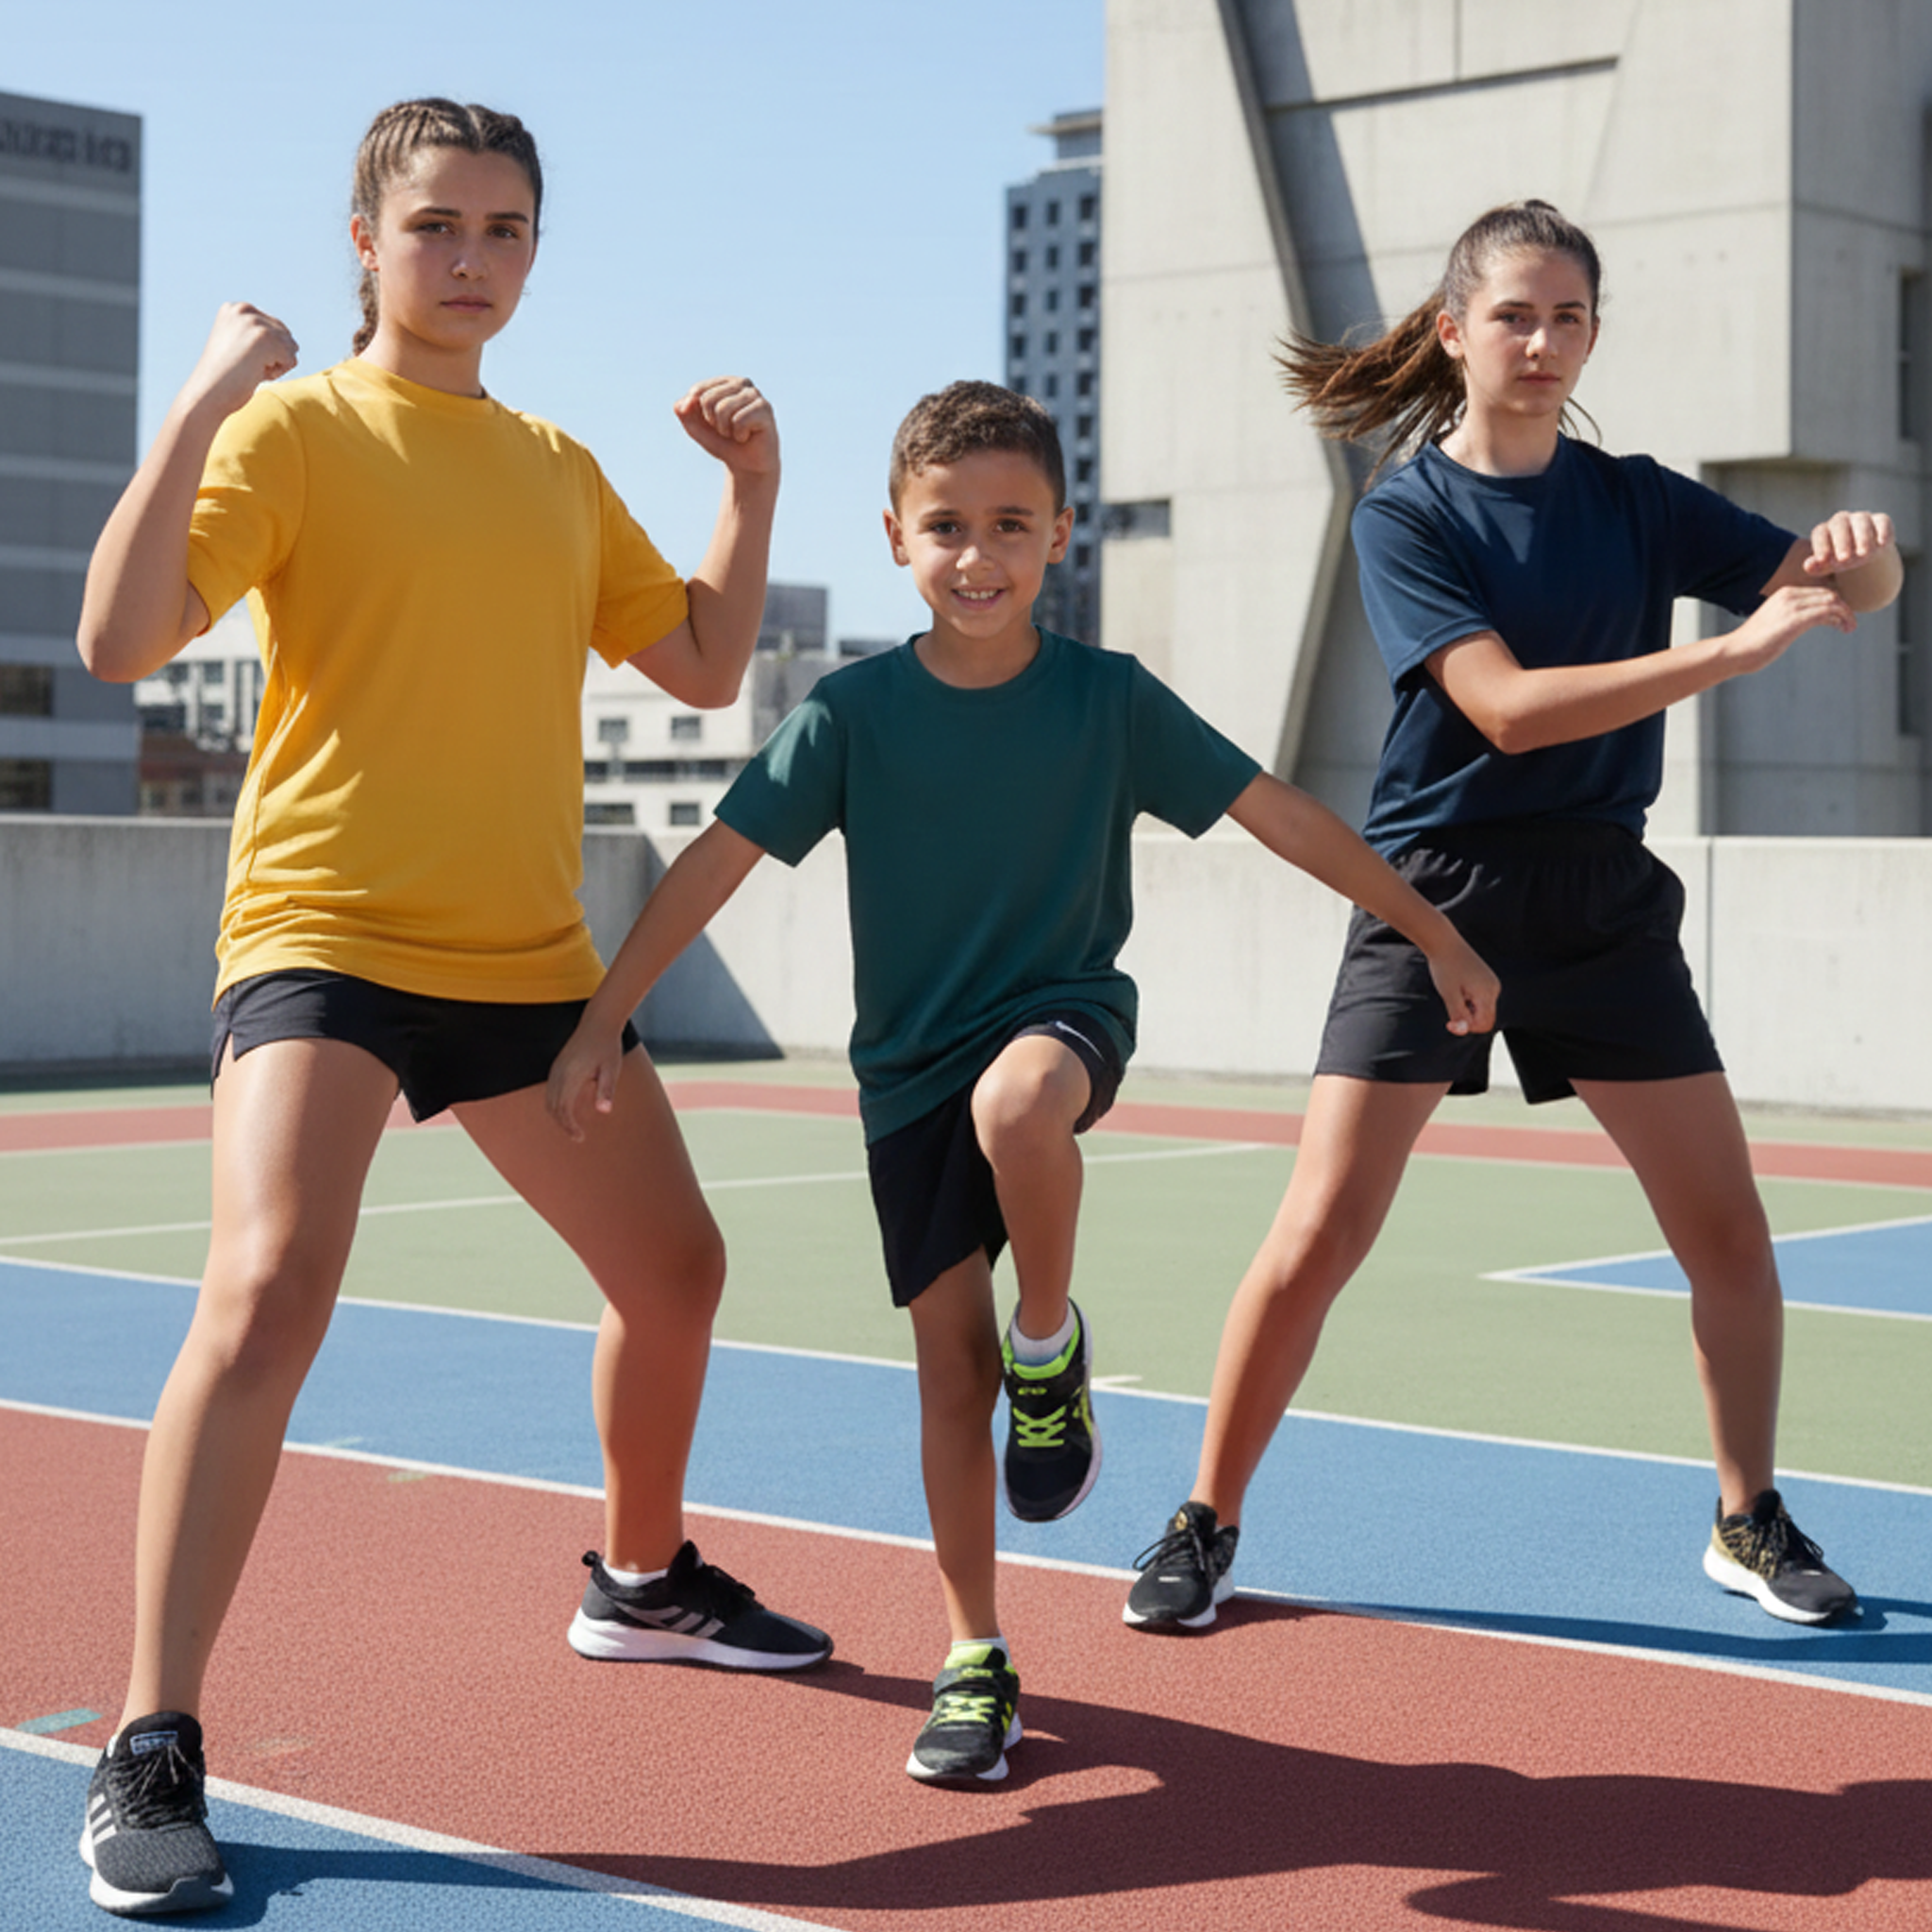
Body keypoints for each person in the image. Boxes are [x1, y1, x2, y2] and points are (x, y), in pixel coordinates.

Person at [73, 98, 830, 1918]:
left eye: (503, 230)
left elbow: (712, 667)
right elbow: (118, 641)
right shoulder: (296, 430)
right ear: (366, 239)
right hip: (324, 934)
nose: (470, 258)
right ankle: (153, 1735)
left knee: (678, 1273)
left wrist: (752, 490)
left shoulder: (559, 469)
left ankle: (638, 1581)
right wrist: (198, 397)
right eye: (435, 227)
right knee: (263, 1293)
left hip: (522, 965)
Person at [545, 379, 1499, 1785]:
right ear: (894, 538)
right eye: (947, 527)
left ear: (1061, 537)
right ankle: (974, 1655)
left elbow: (1279, 813)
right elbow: (717, 862)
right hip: (903, 1072)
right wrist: (600, 1022)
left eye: (1009, 525)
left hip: (1060, 1022)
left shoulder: (1107, 700)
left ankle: (1051, 1345)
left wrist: (1430, 926)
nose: (977, 555)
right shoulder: (853, 714)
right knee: (947, 1376)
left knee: (1018, 1113)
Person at [1121, 199, 1899, 1640]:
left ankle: (1748, 1517)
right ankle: (1204, 1520)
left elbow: (1843, 584)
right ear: (1453, 332)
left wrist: (1867, 553)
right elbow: (1506, 711)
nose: (1544, 344)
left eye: (1571, 318)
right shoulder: (1409, 512)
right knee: (1321, 1230)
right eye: (1515, 316)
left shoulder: (1638, 498)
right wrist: (1725, 656)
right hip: (1438, 900)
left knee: (1728, 1234)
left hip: (1604, 899)